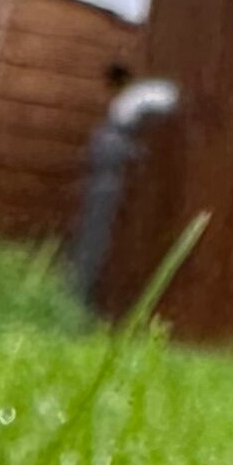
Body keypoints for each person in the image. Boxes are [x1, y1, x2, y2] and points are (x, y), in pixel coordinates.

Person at [65, 60, 179, 311]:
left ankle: (82, 296)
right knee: (95, 241)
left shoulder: (121, 114)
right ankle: (82, 297)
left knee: (93, 241)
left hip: (105, 187)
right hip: (106, 189)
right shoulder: (123, 119)